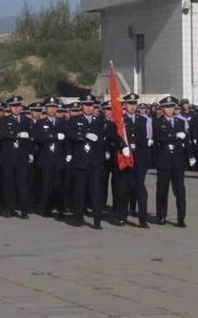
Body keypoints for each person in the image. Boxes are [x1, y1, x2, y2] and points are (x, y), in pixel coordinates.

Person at [153, 96, 195, 227]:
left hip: (178, 161)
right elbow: (160, 137)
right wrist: (175, 136)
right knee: (162, 191)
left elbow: (186, 141)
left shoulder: (180, 122)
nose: (169, 110)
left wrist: (190, 156)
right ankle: (161, 216)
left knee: (180, 191)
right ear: (162, 109)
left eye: (171, 107)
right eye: (167, 107)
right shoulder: (157, 122)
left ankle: (181, 218)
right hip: (164, 160)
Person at [67, 94, 106, 229]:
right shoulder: (74, 120)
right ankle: (78, 217)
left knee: (96, 192)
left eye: (91, 105)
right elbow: (70, 135)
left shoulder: (99, 120)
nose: (89, 108)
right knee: (80, 191)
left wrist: (98, 140)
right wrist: (83, 136)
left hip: (95, 161)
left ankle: (97, 220)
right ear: (81, 106)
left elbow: (103, 139)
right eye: (86, 105)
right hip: (80, 160)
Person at [113, 92, 151, 228]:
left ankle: (142, 219)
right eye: (130, 104)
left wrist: (146, 160)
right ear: (125, 105)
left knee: (141, 189)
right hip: (126, 158)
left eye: (134, 104)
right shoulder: (120, 120)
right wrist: (122, 147)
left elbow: (145, 141)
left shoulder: (143, 120)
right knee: (123, 189)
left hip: (139, 159)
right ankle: (121, 216)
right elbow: (116, 137)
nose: (132, 107)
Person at [0, 95, 33, 218]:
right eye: (14, 106)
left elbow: (30, 139)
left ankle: (24, 209)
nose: (16, 109)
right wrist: (16, 134)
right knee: (9, 184)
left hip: (22, 157)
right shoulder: (4, 120)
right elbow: (3, 134)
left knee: (22, 184)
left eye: (18, 106)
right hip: (9, 157)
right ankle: (9, 208)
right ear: (10, 108)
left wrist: (30, 153)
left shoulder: (26, 121)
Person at [33, 97, 68, 218]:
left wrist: (67, 155)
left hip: (59, 158)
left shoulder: (62, 123)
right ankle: (45, 208)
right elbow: (37, 138)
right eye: (50, 107)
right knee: (46, 185)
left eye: (54, 107)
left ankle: (59, 208)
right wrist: (53, 136)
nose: (52, 110)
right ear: (46, 109)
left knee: (59, 184)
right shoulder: (40, 123)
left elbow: (66, 141)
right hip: (46, 158)